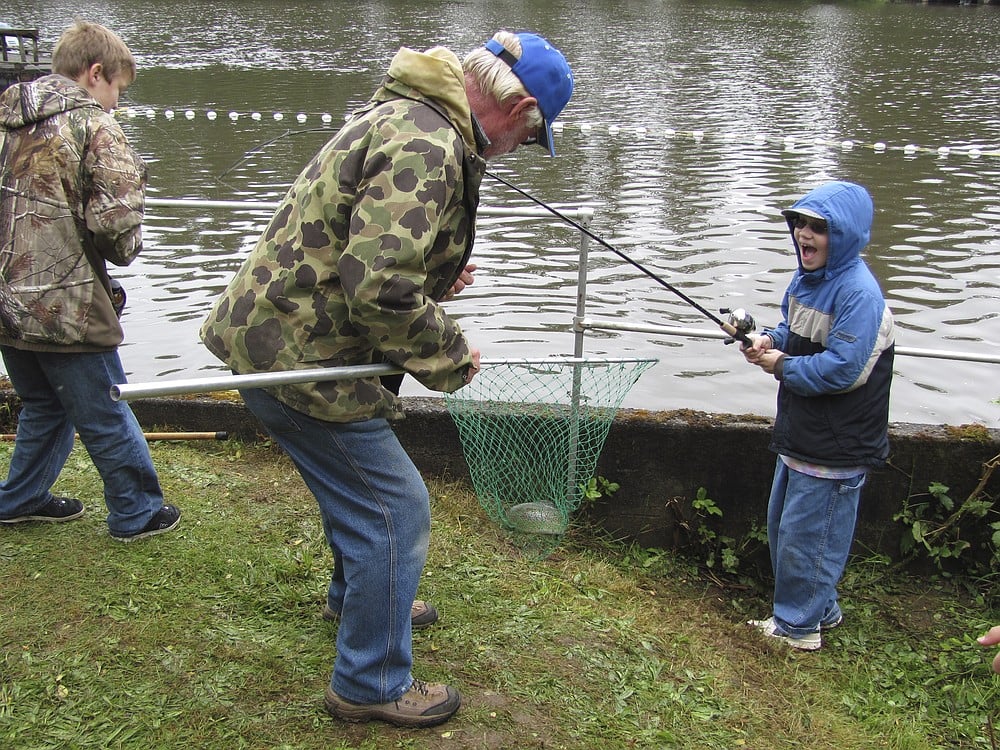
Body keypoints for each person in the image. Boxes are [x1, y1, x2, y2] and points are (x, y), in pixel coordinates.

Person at [200, 30, 573, 727]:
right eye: (528, 137)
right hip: (301, 357)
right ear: (516, 105)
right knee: (393, 512)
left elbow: (362, 252)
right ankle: (369, 682)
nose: (519, 151)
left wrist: (434, 277)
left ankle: (360, 599)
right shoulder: (428, 142)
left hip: (284, 337)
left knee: (362, 499)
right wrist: (453, 354)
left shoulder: (412, 116)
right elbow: (378, 287)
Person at [0, 21, 180, 541]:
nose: (116, 104)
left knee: (44, 401)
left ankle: (20, 498)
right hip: (65, 302)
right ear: (95, 73)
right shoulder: (94, 127)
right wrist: (118, 252)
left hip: (4, 302)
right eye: (117, 90)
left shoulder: (7, 117)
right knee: (105, 408)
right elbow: (118, 226)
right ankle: (137, 512)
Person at [741, 180, 894, 651]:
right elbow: (792, 329)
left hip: (837, 446)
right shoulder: (807, 279)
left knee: (810, 540)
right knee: (787, 531)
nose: (805, 235)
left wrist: (781, 366)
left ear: (845, 235)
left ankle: (797, 630)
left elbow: (844, 371)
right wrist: (769, 340)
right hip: (802, 436)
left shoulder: (859, 296)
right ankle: (819, 609)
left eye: (819, 228)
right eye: (800, 224)